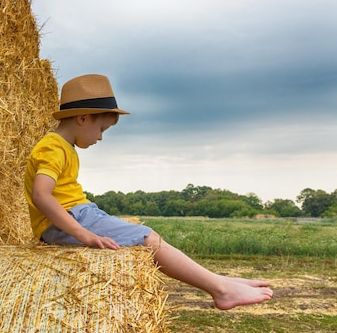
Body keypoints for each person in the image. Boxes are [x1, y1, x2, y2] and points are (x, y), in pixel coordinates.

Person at [24, 74, 273, 310]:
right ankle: (221, 290)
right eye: (101, 129)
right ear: (83, 118)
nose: (100, 137)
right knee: (148, 239)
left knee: (148, 236)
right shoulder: (53, 148)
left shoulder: (62, 147)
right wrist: (84, 234)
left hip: (80, 214)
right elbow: (42, 195)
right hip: (72, 219)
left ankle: (219, 280)